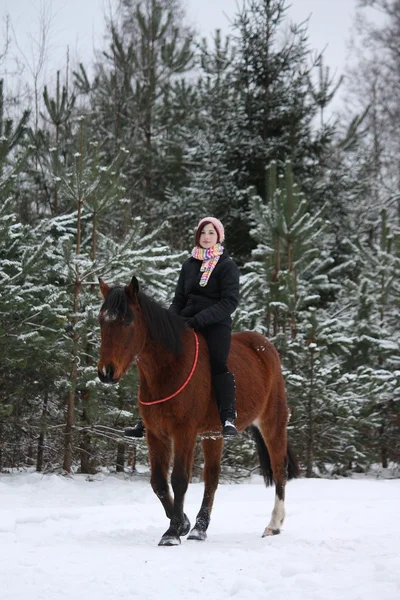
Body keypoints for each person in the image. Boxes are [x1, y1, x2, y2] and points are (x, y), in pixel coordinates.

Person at [125, 216, 240, 439]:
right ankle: (146, 417)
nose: (206, 237)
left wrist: (200, 319)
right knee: (159, 358)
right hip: (185, 320)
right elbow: (179, 299)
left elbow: (229, 302)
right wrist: (168, 321)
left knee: (218, 362)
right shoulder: (189, 264)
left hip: (215, 324)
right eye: (203, 233)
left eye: (211, 233)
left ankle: (227, 416)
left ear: (219, 236)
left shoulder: (227, 266)